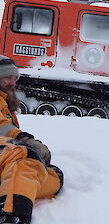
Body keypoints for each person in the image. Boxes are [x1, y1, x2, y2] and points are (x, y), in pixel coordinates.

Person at [0, 55, 63, 224]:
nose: (12, 82)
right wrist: (23, 139)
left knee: (46, 173)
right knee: (23, 157)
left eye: (14, 78)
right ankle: (10, 216)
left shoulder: (5, 103)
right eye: (6, 77)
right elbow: (2, 126)